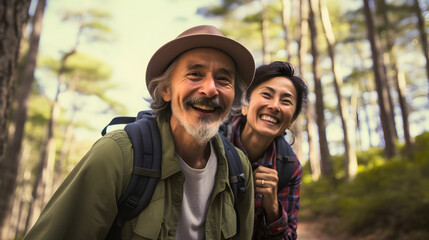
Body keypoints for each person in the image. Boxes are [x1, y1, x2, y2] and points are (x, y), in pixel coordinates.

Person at [23, 25, 255, 240]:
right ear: (165, 89)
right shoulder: (116, 155)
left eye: (223, 80)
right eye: (195, 74)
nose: (210, 89)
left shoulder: (239, 169)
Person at [225, 61, 308, 239]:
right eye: (266, 95)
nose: (275, 106)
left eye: (286, 101)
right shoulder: (212, 141)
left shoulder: (290, 168)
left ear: (291, 120)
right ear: (245, 105)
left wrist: (273, 208)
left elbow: (288, 237)